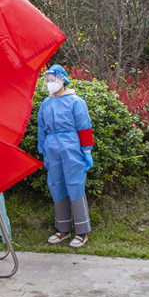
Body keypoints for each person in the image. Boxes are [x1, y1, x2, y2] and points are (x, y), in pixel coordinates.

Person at [37, 64, 94, 248]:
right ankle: (63, 229)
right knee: (56, 186)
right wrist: (44, 152)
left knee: (75, 185)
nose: (50, 83)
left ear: (62, 79)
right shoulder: (46, 104)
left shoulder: (75, 102)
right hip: (52, 150)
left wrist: (87, 151)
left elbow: (84, 127)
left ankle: (82, 231)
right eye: (48, 80)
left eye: (52, 79)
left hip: (72, 148)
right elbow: (41, 129)